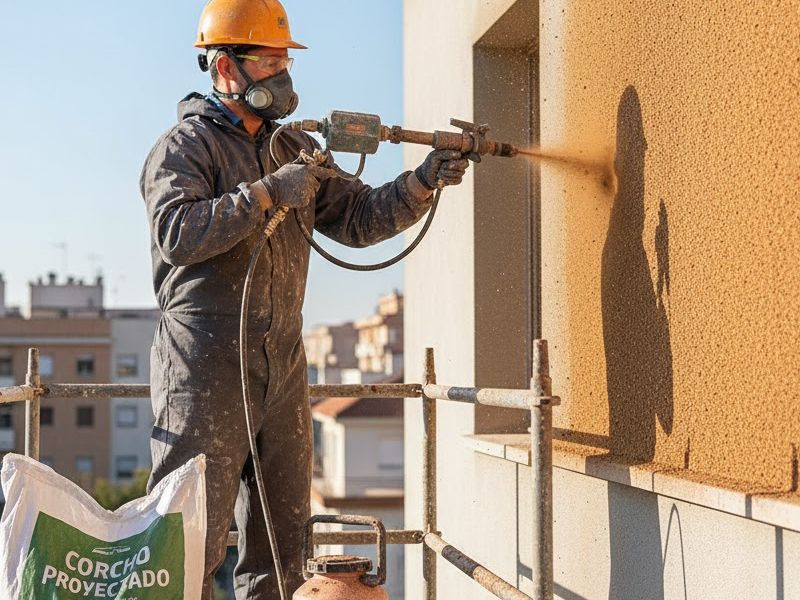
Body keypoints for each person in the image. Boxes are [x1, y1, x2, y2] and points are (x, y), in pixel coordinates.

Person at [140, 0, 469, 598]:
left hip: (282, 362)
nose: (280, 74)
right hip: (203, 365)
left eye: (282, 59)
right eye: (265, 60)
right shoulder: (185, 147)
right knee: (187, 541)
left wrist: (421, 180)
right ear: (223, 67)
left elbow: (358, 218)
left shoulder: (293, 147)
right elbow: (177, 232)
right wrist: (266, 194)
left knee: (283, 545)